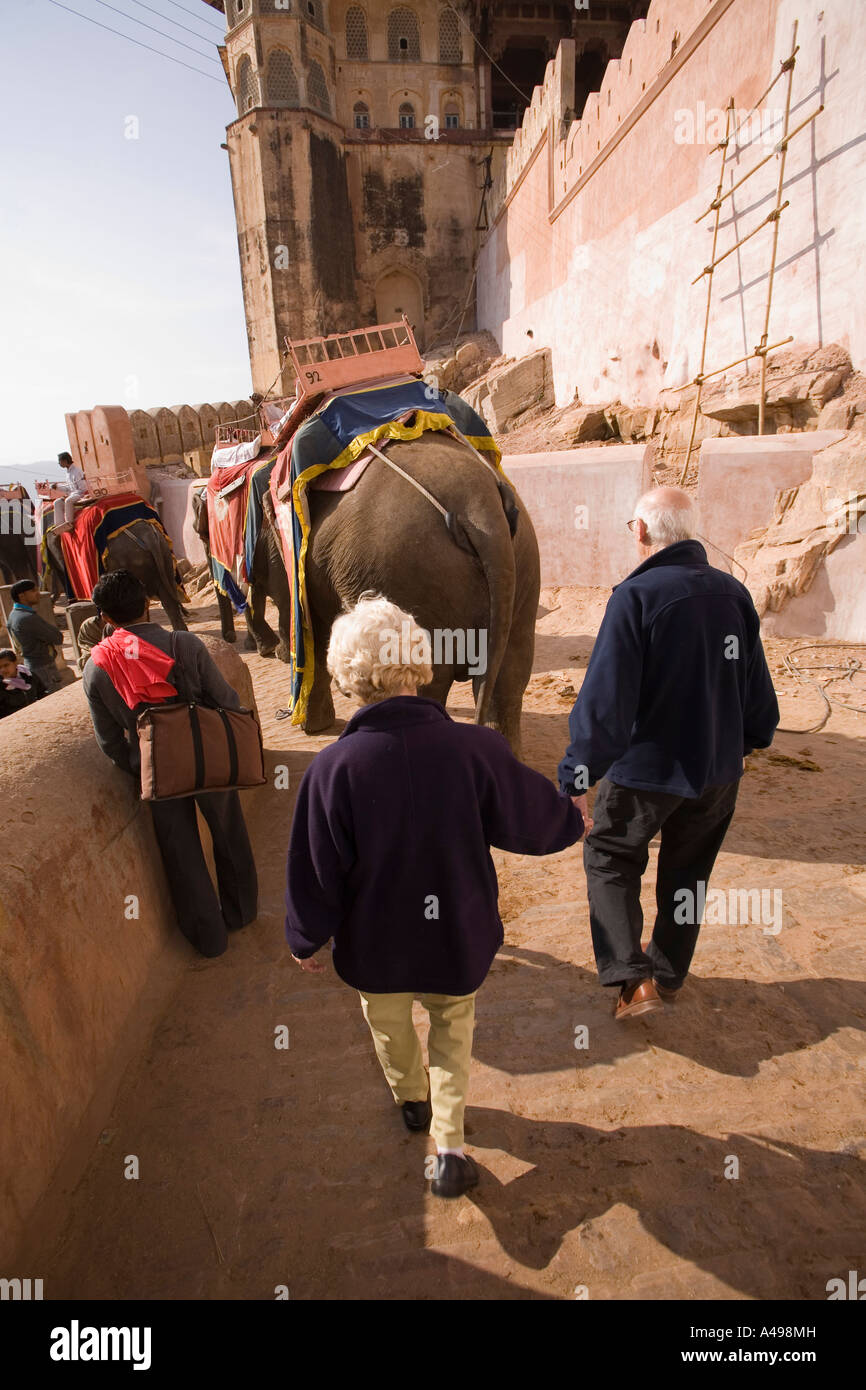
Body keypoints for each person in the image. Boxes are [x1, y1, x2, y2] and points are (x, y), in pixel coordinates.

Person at [284, 595, 584, 1198]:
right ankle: (450, 1147)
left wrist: (305, 935)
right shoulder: (477, 748)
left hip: (376, 947)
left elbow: (317, 868)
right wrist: (569, 816)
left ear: (347, 673)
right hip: (457, 935)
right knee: (453, 1026)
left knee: (388, 1024)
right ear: (419, 660)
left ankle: (411, 1102)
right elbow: (527, 819)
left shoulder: (331, 770)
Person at [558, 486, 780, 1021]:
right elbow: (757, 693)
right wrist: (744, 742)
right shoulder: (734, 594)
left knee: (610, 857)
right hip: (718, 770)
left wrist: (577, 776)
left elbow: (605, 704)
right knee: (690, 871)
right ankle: (670, 973)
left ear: (640, 531)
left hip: (646, 772)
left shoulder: (635, 598)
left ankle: (633, 983)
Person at [83, 569, 258, 958]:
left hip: (157, 767)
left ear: (105, 618)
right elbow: (227, 700)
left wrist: (138, 765)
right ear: (148, 604)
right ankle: (242, 912)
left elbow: (109, 741)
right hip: (207, 757)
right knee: (229, 833)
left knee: (181, 853)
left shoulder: (97, 668)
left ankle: (208, 938)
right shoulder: (185, 644)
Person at [5, 579, 65, 693]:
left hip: (32, 664)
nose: (37, 593)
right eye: (33, 591)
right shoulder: (27, 618)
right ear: (22, 595)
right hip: (43, 667)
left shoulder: (13, 615)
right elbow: (57, 637)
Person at [0, 647, 47, 717]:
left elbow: (42, 692)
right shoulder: (1, 686)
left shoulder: (29, 675)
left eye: (6, 665)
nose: (2, 670)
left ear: (15, 662)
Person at [53, 451, 90, 531]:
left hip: (81, 494)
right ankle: (59, 525)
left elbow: (82, 488)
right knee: (57, 502)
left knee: (68, 501)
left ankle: (69, 523)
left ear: (65, 461)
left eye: (60, 461)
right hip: (73, 494)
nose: (59, 463)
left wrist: (70, 495)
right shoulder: (68, 473)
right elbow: (68, 488)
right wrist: (57, 487)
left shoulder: (77, 471)